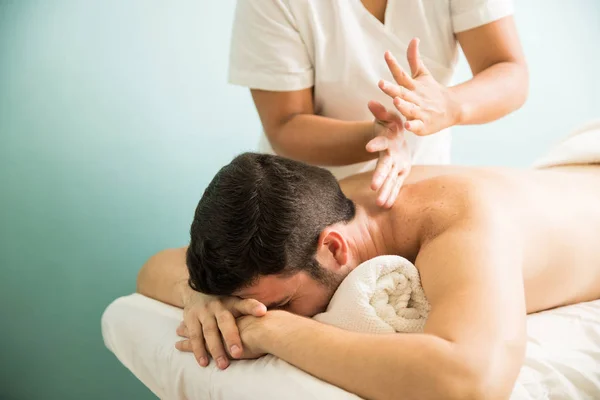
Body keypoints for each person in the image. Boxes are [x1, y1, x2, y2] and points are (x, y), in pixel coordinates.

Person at [137, 145, 600, 399]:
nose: (253, 312)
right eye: (252, 306)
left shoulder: (457, 220)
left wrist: (272, 330)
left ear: (335, 248)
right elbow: (152, 269)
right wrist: (200, 297)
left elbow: (471, 382)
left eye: (280, 303)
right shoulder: (308, 212)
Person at [227, 0, 529, 206]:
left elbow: (509, 70)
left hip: (422, 184)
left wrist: (451, 105)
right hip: (305, 199)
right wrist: (377, 137)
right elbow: (285, 123)